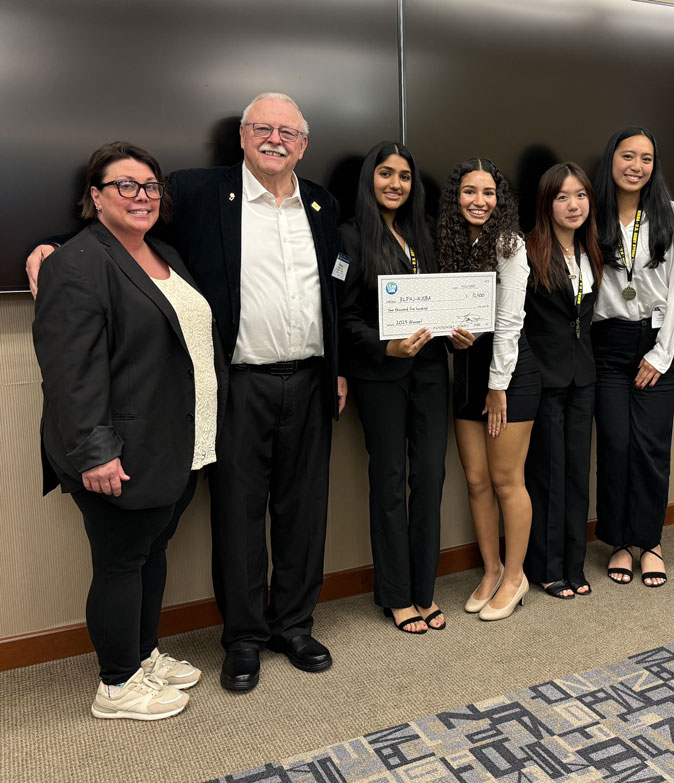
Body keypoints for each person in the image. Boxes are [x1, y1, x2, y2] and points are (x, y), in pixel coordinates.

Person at [27, 92, 344, 691]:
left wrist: (340, 368)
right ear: (244, 136)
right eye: (262, 128)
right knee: (237, 513)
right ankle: (245, 637)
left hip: (310, 378)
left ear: (304, 144)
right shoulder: (199, 192)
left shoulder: (323, 204)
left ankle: (295, 624)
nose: (275, 139)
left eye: (289, 132)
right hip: (237, 383)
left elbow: (334, 293)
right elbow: (124, 216)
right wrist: (54, 245)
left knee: (305, 510)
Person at [33, 141, 226, 720]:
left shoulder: (162, 252)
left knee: (151, 551)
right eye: (125, 185)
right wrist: (96, 453)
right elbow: (70, 373)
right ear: (95, 196)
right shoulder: (77, 262)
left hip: (179, 442)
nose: (141, 196)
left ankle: (142, 654)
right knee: (121, 562)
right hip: (119, 451)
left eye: (150, 186)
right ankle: (116, 685)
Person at [338, 141, 467, 634]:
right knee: (390, 481)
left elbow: (447, 302)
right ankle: (396, 594)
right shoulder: (348, 239)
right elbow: (342, 315)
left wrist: (461, 330)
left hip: (433, 372)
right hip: (381, 377)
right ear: (370, 178)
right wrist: (382, 347)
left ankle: (423, 589)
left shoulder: (426, 236)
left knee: (431, 477)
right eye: (386, 174)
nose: (396, 184)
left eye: (406, 176)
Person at [591, 126, 674, 588]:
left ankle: (649, 542)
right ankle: (618, 541)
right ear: (611, 159)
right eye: (628, 156)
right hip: (606, 343)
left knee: (651, 446)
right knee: (615, 445)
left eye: (647, 158)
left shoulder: (671, 215)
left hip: (658, 341)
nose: (637, 166)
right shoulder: (590, 213)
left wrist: (661, 353)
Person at [437, 158, 539, 620]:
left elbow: (509, 320)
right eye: (469, 191)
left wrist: (498, 386)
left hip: (509, 374)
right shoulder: (451, 241)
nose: (479, 201)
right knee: (476, 481)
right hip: (467, 370)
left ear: (501, 200)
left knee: (505, 480)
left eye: (489, 193)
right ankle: (491, 569)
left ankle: (515, 578)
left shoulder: (510, 243)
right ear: (455, 197)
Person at [522, 163, 603, 598]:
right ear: (547, 203)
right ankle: (547, 566)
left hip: (583, 377)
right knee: (547, 474)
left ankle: (574, 563)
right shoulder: (528, 249)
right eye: (562, 197)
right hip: (544, 378)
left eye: (580, 196)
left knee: (576, 472)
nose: (573, 206)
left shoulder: (592, 250)